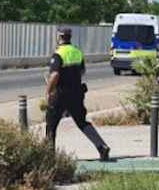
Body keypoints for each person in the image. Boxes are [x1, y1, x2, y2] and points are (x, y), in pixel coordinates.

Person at [45, 27, 110, 161]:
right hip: (77, 93)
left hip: (61, 94)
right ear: (70, 37)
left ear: (60, 37)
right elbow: (82, 71)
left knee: (51, 124)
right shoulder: (77, 52)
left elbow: (55, 74)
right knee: (82, 122)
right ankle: (101, 146)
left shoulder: (58, 54)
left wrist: (49, 91)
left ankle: (48, 158)